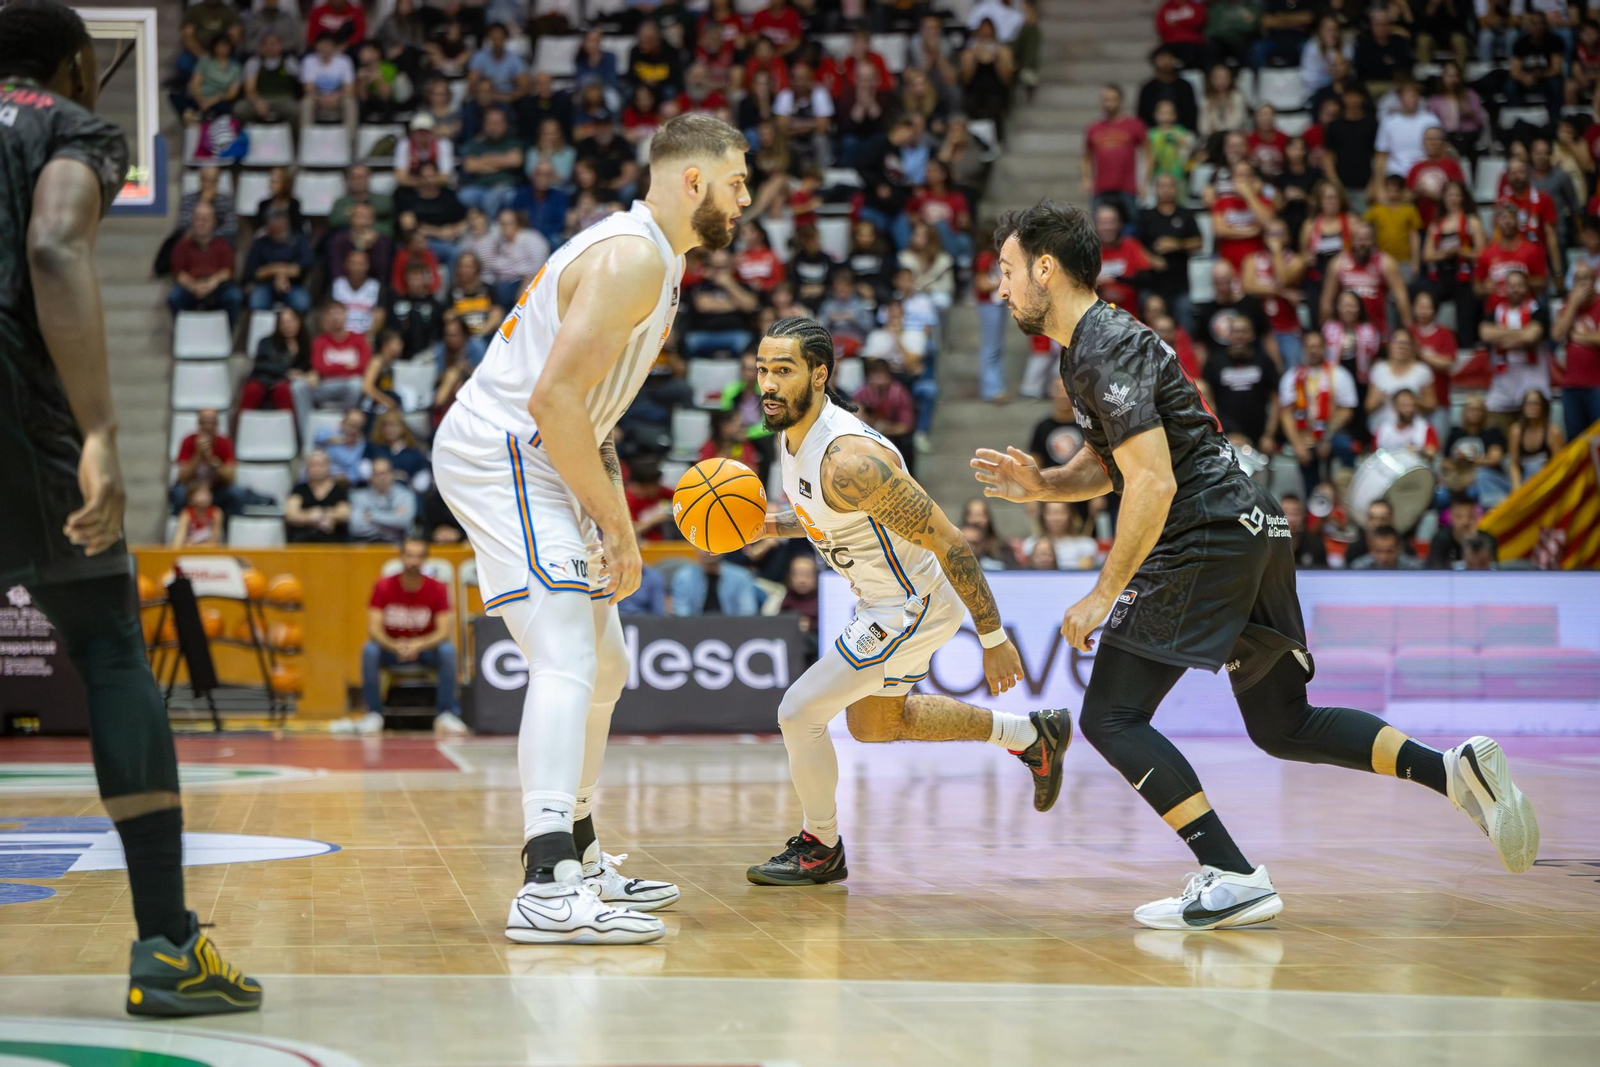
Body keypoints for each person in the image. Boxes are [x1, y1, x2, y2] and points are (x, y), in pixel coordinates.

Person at [972, 200, 1539, 931]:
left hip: (1204, 528)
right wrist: (1047, 485)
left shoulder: (1104, 343)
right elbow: (1119, 462)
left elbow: (1153, 481)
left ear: (1045, 267)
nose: (1001, 286)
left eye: (1008, 270)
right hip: (1253, 523)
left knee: (1110, 714)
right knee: (1284, 723)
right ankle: (1454, 770)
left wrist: (1102, 591)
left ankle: (1232, 872)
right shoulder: (1089, 347)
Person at [431, 115, 753, 944]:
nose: (746, 198)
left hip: (552, 454)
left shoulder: (662, 262)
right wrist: (622, 525)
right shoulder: (631, 258)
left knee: (607, 661)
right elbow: (550, 402)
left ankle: (580, 848)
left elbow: (592, 416)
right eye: (737, 182)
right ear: (693, 182)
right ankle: (546, 881)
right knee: (567, 651)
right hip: (505, 450)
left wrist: (608, 520)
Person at [0, 0, 259, 1015]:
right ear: (74, 65)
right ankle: (166, 945)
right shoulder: (67, 125)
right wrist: (101, 429)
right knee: (110, 645)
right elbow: (57, 248)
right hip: (17, 404)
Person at [746, 317, 1068, 886]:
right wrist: (768, 523)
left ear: (820, 375)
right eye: (762, 370)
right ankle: (1030, 736)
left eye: (784, 370)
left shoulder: (849, 461)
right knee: (875, 725)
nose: (768, 384)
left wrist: (993, 638)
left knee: (798, 713)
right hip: (881, 599)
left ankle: (820, 845)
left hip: (908, 605)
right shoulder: (790, 434)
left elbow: (951, 540)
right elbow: (827, 516)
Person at [1479, 268, 1551, 421]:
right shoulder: (1495, 312)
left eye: (1519, 285)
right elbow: (1485, 333)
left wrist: (1501, 337)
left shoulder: (1538, 311)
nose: (1515, 290)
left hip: (1532, 382)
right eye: (1511, 286)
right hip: (1502, 384)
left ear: (1526, 287)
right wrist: (1520, 334)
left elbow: (1531, 336)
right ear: (1505, 288)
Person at [166, 202, 241, 327]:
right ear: (192, 221)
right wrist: (194, 286)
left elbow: (228, 271)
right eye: (198, 219)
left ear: (213, 222)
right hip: (191, 286)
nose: (201, 223)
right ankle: (183, 331)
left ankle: (227, 333)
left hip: (216, 286)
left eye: (205, 220)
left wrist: (211, 283)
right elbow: (178, 273)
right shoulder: (182, 246)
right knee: (174, 298)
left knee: (234, 297)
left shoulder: (223, 245)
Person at [1551, 260, 1600, 441]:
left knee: (1598, 440)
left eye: (1586, 278)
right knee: (1575, 442)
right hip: (1571, 386)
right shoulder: (1568, 305)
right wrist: (1573, 304)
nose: (1582, 284)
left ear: (1595, 280)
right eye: (1578, 279)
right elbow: (1557, 335)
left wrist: (1576, 337)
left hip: (1597, 385)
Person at [1082, 84, 1146, 221]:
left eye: (1113, 99)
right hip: (1101, 188)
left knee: (1131, 226)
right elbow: (1086, 157)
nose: (1109, 103)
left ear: (1121, 100)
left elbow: (1148, 154)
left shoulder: (1134, 125)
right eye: (1106, 99)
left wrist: (1145, 182)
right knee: (1099, 228)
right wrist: (1086, 178)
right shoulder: (1093, 128)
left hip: (1128, 188)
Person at [244, 207, 313, 314]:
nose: (277, 231)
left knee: (302, 303)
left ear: (286, 224)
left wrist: (278, 273)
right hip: (265, 285)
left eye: (280, 228)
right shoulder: (260, 243)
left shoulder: (299, 241)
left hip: (293, 284)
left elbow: (301, 268)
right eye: (273, 228)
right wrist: (278, 272)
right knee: (256, 303)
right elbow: (256, 272)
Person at [241, 306, 308, 416]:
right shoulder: (265, 342)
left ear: (299, 321)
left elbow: (306, 367)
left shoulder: (304, 344)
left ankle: (291, 430)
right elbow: (260, 365)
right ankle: (241, 428)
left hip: (284, 384)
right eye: (283, 322)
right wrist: (286, 373)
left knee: (283, 390)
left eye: (291, 321)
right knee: (252, 390)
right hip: (262, 380)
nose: (288, 326)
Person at [170, 407, 237, 514]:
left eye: (212, 423)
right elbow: (182, 477)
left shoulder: (224, 443)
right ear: (199, 424)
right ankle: (180, 526)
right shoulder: (188, 441)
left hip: (216, 489)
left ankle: (229, 528)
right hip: (192, 488)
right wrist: (198, 456)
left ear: (217, 425)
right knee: (178, 493)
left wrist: (212, 460)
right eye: (205, 423)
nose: (208, 427)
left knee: (236, 494)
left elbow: (231, 478)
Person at [285, 448, 350, 542]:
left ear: (328, 466)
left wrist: (323, 515)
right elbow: (291, 514)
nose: (317, 468)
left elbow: (345, 513)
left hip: (334, 542)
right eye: (313, 465)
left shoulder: (338, 489)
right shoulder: (299, 489)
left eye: (320, 464)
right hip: (303, 541)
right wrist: (310, 518)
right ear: (307, 468)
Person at [1507, 388, 1565, 489]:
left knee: (1535, 466)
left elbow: (1559, 465)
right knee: (1484, 475)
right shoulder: (1516, 431)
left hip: (1545, 482)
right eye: (1529, 403)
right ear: (1523, 407)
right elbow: (1514, 465)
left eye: (1536, 403)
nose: (1532, 407)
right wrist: (1517, 489)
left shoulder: (1553, 432)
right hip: (1521, 483)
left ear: (1543, 407)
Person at [1428, 493, 1481, 568]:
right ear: (1451, 518)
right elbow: (1437, 572)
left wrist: (1470, 542)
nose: (1465, 522)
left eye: (1470, 516)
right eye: (1459, 517)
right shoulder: (1440, 540)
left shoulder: (1485, 540)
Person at [170, 481, 222, 547]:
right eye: (201, 494)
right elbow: (179, 538)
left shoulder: (216, 513)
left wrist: (195, 546)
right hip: (189, 550)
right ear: (191, 498)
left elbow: (214, 540)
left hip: (208, 551)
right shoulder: (186, 513)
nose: (205, 497)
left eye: (207, 494)